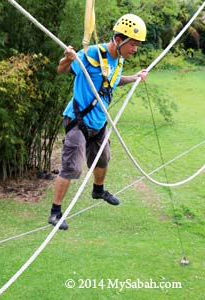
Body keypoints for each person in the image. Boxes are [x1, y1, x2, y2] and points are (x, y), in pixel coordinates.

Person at [49, 14, 149, 230]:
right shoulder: (93, 54)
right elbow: (62, 69)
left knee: (103, 159)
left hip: (98, 122)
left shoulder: (119, 60)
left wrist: (134, 77)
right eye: (133, 44)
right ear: (120, 40)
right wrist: (68, 57)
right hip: (78, 120)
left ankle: (98, 190)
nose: (135, 49)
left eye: (137, 45)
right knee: (72, 167)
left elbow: (111, 81)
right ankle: (55, 212)